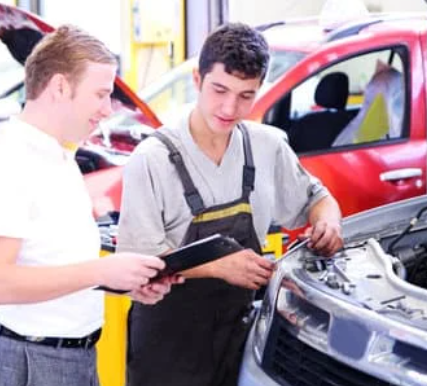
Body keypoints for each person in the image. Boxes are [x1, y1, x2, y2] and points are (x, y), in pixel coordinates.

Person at [117, 22, 344, 386]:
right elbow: (135, 265)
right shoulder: (152, 159)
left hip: (238, 341)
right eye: (219, 89)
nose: (229, 107)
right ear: (197, 79)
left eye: (245, 95)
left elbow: (318, 199)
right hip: (167, 347)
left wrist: (328, 223)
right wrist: (219, 266)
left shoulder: (267, 146)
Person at [0, 25, 178, 386]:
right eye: (101, 94)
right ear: (61, 87)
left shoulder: (60, 158)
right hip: (30, 361)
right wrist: (101, 272)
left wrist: (122, 283)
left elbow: (54, 262)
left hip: (70, 357)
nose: (108, 110)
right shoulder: (7, 164)